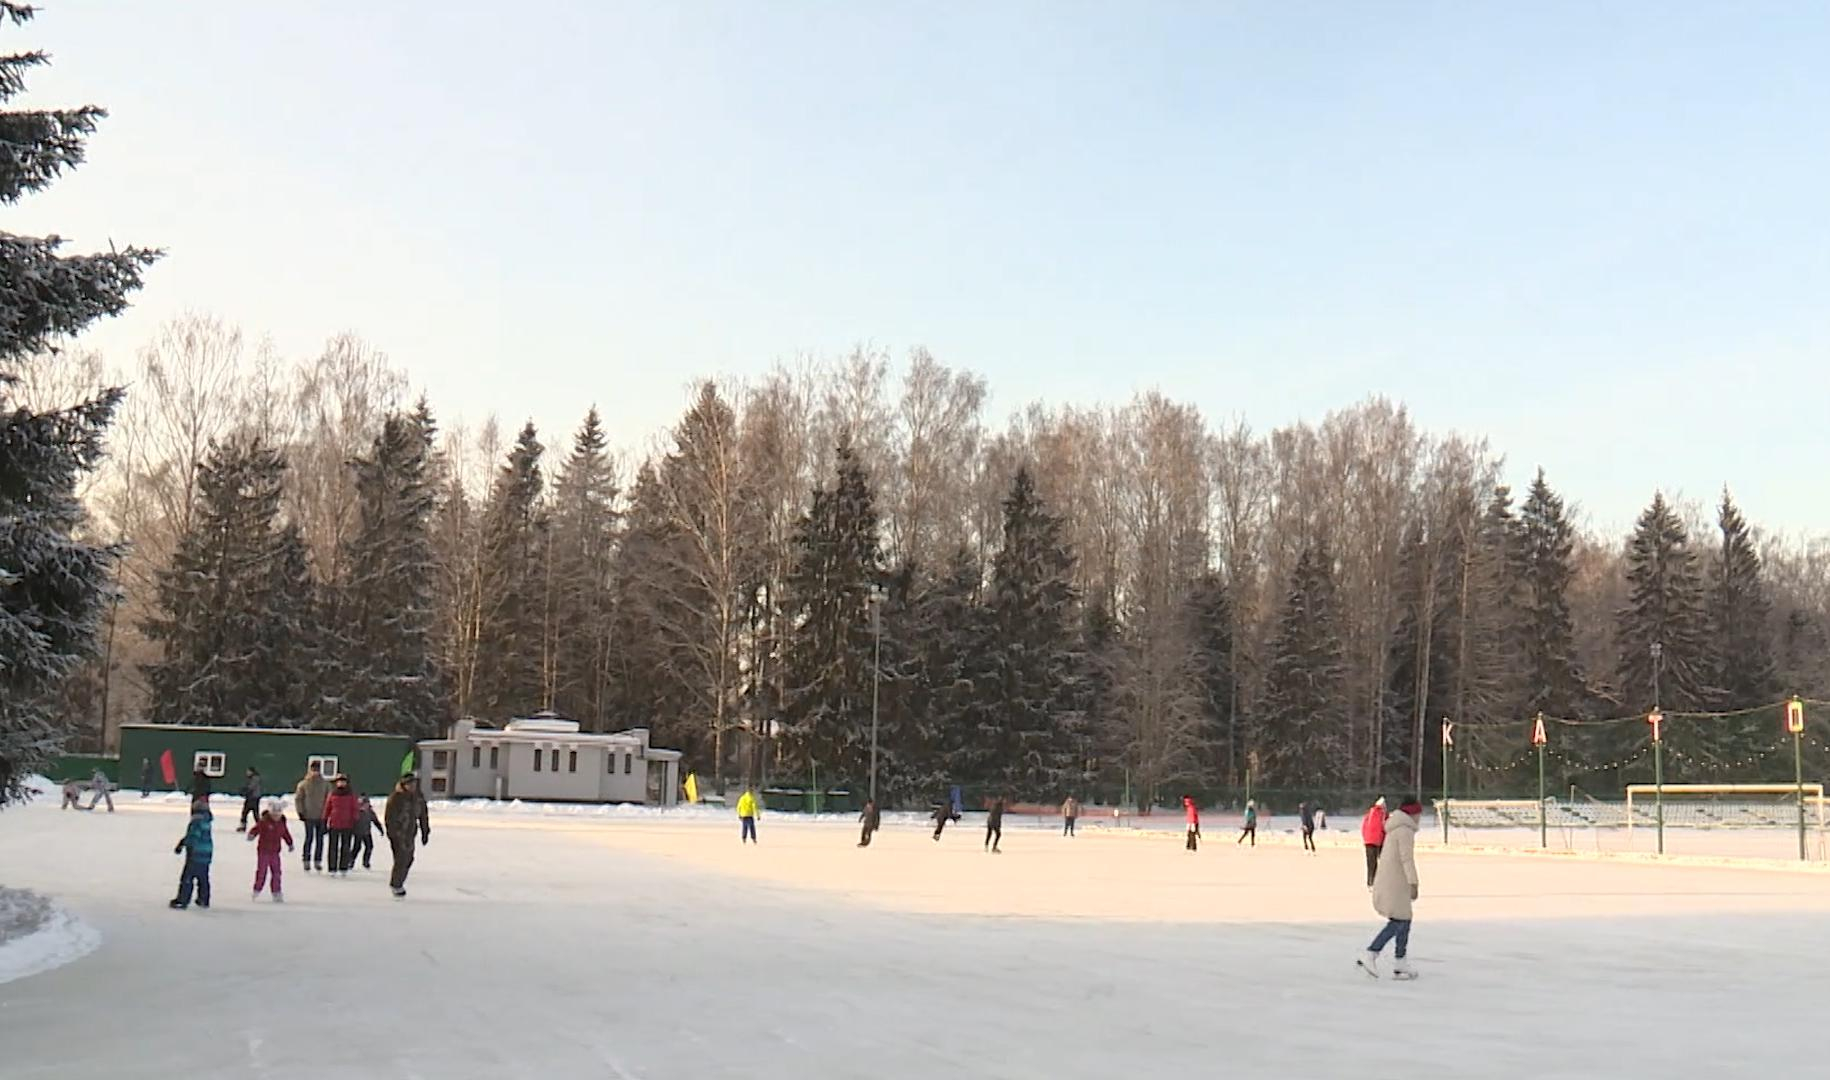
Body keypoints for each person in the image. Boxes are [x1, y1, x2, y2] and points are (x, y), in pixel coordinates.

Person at [1358, 797, 1423, 980]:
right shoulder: (1404, 831)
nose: (1420, 817)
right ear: (1413, 813)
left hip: (1392, 881)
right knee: (1400, 920)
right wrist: (1414, 883)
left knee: (1404, 919)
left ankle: (1400, 962)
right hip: (1395, 883)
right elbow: (1406, 859)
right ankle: (1371, 952)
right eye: (1418, 813)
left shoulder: (1397, 828)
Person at [384, 774, 431, 898]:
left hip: (410, 833)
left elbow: (423, 815)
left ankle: (398, 882)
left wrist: (425, 831)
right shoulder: (396, 798)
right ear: (404, 785)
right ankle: (396, 885)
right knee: (401, 859)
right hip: (398, 833)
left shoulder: (418, 798)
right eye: (409, 784)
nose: (412, 786)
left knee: (409, 859)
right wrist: (392, 833)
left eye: (414, 784)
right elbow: (389, 817)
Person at [170, 798, 214, 910]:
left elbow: (192, 837)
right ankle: (204, 899)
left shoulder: (196, 822)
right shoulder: (207, 821)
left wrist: (182, 845)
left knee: (187, 877)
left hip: (196, 853)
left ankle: (182, 900)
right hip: (206, 853)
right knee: (203, 877)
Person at [247, 800, 294, 902]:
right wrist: (252, 834)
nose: (276, 816)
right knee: (262, 871)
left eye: (278, 814)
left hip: (275, 852)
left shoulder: (282, 823)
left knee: (277, 872)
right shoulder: (264, 822)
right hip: (263, 851)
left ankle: (276, 891)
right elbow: (256, 829)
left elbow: (285, 834)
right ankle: (257, 889)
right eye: (274, 813)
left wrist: (290, 843)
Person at [293, 762, 330, 872]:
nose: (315, 772)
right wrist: (300, 812)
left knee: (320, 839)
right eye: (314, 769)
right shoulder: (304, 784)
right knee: (309, 838)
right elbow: (298, 799)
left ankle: (317, 860)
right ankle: (306, 860)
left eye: (317, 769)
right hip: (308, 815)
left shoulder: (325, 784)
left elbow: (329, 800)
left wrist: (328, 814)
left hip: (321, 816)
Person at [323, 775, 360, 875]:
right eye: (339, 782)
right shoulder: (333, 794)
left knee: (346, 846)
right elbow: (327, 807)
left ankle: (343, 867)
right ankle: (332, 867)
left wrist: (355, 821)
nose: (341, 783)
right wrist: (324, 820)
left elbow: (355, 808)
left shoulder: (351, 795)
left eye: (343, 782)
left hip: (347, 824)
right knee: (332, 847)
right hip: (334, 823)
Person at [1361, 796, 1388, 889]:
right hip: (1377, 841)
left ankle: (1370, 882)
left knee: (1370, 863)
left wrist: (1365, 837)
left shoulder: (1369, 813)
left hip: (1368, 841)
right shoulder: (1383, 814)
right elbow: (1384, 828)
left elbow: (1364, 827)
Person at [355, 796, 384, 869]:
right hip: (358, 832)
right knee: (357, 847)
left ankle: (366, 862)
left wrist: (380, 830)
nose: (365, 806)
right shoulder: (356, 811)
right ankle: (351, 861)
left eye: (367, 804)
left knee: (369, 847)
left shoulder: (370, 812)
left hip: (367, 832)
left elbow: (375, 821)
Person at [237, 767, 262, 832]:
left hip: (253, 798)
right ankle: (259, 827)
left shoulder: (255, 778)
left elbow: (251, 787)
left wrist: (244, 790)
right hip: (252, 797)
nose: (247, 773)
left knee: (249, 812)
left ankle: (259, 827)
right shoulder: (252, 778)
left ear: (252, 772)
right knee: (250, 813)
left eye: (248, 771)